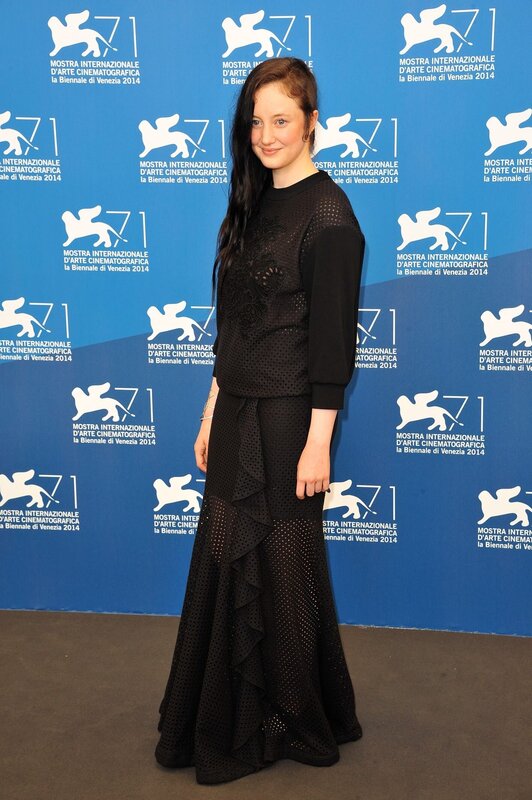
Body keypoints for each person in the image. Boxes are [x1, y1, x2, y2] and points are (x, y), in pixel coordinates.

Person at [154, 56, 366, 786]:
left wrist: (319, 443)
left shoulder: (331, 216)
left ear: (312, 122)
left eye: (281, 120)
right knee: (224, 555)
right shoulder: (252, 202)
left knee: (284, 563)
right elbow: (236, 326)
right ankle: (232, 712)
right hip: (238, 406)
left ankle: (293, 715)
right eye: (255, 121)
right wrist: (211, 407)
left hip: (289, 418)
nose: (267, 135)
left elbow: (333, 346)